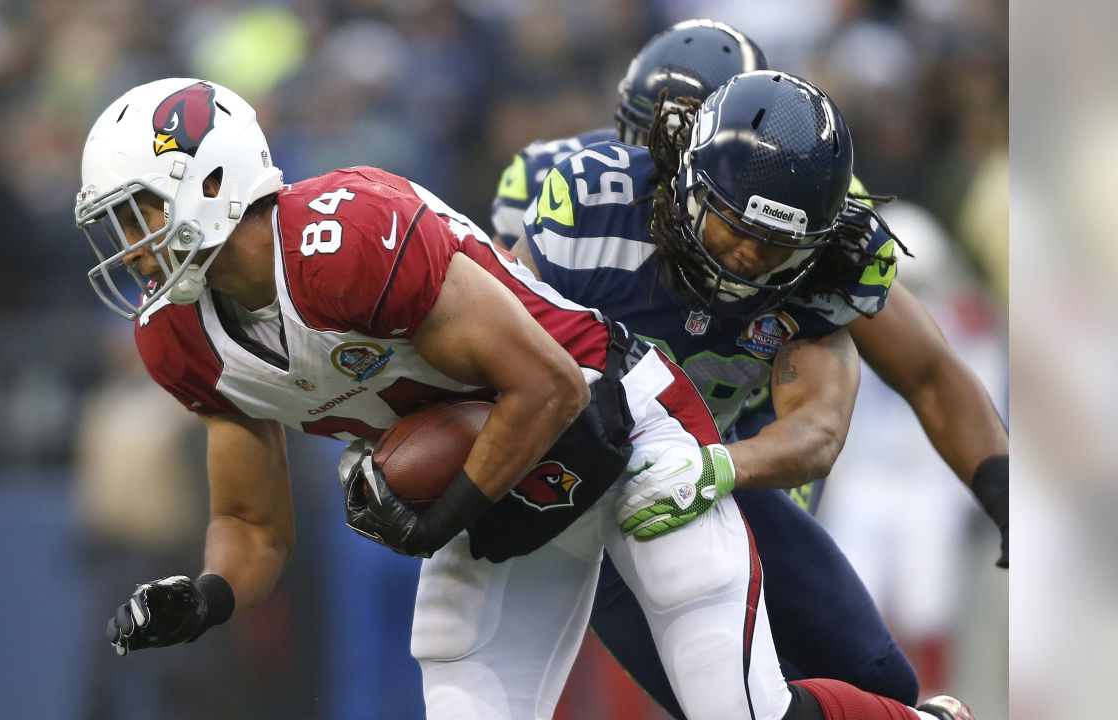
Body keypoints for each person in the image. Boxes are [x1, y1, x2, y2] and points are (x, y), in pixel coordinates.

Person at [75, 77, 970, 720]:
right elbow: (254, 525)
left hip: (617, 430)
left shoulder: (341, 234)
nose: (133, 244)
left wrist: (445, 512)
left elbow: (544, 384)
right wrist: (206, 597)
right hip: (503, 484)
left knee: (737, 710)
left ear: (215, 185)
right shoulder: (179, 338)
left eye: (140, 211)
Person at [492, 22, 1003, 720]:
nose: (743, 256)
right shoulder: (583, 197)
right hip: (597, 480)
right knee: (735, 706)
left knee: (874, 682)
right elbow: (489, 350)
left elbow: (910, 380)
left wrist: (1007, 495)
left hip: (741, 450)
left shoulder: (823, 226)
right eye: (641, 131)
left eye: (774, 242)